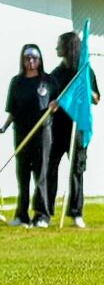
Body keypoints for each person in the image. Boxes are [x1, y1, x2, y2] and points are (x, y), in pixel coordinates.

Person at [46, 31, 100, 228]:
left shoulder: (85, 71)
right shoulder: (56, 74)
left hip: (77, 129)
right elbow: (49, 100)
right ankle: (46, 213)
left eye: (59, 45)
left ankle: (76, 213)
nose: (56, 48)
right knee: (50, 169)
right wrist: (52, 104)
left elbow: (97, 98)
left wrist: (88, 92)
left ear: (69, 47)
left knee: (76, 170)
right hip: (57, 129)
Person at [5, 44, 54, 227]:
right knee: (22, 175)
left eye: (34, 58)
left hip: (42, 134)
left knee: (40, 175)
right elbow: (12, 110)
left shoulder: (48, 81)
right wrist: (4, 127)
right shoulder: (16, 82)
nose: (31, 61)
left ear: (40, 60)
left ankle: (41, 216)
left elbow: (60, 102)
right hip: (21, 133)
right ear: (23, 60)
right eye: (27, 58)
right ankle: (21, 216)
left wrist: (55, 106)